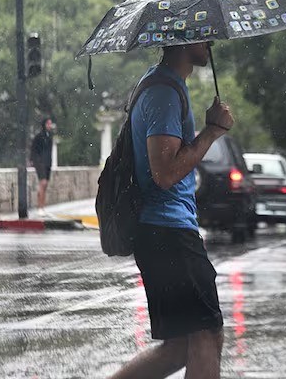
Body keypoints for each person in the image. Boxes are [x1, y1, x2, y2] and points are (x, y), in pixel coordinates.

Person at [110, 41, 235, 379]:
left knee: (182, 345)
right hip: (167, 232)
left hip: (162, 233)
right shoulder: (164, 92)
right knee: (208, 334)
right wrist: (212, 132)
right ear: (182, 39)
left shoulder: (165, 86)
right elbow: (164, 173)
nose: (210, 42)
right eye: (202, 35)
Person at [29, 116, 55, 212]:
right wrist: (33, 160)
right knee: (42, 183)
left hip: (47, 163)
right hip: (39, 162)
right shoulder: (39, 136)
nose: (49, 125)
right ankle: (39, 206)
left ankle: (42, 206)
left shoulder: (50, 136)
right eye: (48, 123)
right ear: (44, 124)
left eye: (50, 124)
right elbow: (33, 148)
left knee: (45, 184)